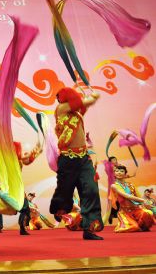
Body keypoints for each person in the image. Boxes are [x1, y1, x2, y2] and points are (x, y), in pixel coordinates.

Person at [49, 87, 104, 240]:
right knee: (65, 191)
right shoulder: (61, 109)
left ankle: (89, 228)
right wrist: (94, 96)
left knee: (91, 190)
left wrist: (90, 99)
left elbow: (84, 104)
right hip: (68, 159)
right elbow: (86, 101)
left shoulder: (76, 114)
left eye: (60, 97)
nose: (59, 100)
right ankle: (59, 208)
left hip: (84, 157)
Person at [109, 165, 153, 232]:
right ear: (114, 173)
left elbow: (138, 196)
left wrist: (144, 205)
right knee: (133, 227)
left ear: (125, 174)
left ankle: (139, 225)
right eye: (116, 171)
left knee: (148, 213)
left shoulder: (131, 185)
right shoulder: (114, 185)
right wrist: (143, 200)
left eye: (121, 171)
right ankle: (126, 224)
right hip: (125, 212)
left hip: (136, 209)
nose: (119, 173)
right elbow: (127, 196)